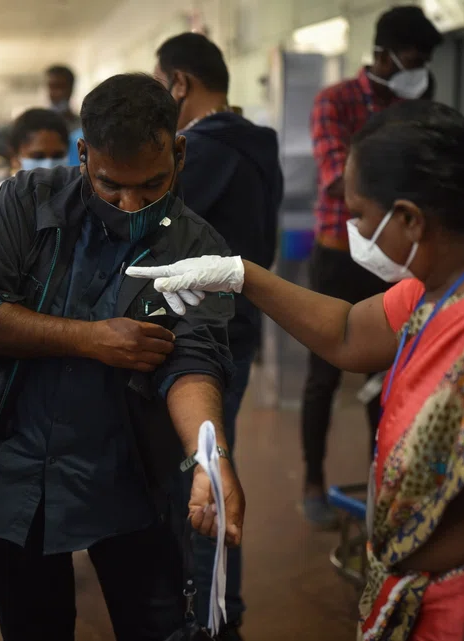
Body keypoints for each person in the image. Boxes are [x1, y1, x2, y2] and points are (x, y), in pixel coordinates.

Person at [129, 99, 464, 641]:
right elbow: (349, 332)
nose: (353, 228)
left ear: (411, 218)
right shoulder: (450, 281)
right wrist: (239, 274)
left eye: (362, 214)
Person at [0, 73, 246, 641]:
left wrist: (209, 452)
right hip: (15, 467)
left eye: (152, 186)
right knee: (33, 625)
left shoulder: (194, 245)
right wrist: (88, 337)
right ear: (82, 156)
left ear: (179, 151)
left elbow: (192, 357)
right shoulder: (26, 203)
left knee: (154, 621)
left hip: (128, 477)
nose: (130, 206)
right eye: (110, 185)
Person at [153, 31, 282, 637]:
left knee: (200, 472)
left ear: (180, 82)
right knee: (212, 463)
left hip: (201, 334)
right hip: (243, 323)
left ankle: (210, 617)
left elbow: (156, 233)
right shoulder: (259, 145)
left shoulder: (199, 153)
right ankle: (219, 612)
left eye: (160, 86)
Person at [305, 5, 442, 528]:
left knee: (391, 371)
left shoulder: (420, 105)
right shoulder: (335, 102)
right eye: (413, 57)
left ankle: (383, 476)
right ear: (382, 54)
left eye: (426, 59)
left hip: (401, 255)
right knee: (325, 369)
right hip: (343, 252)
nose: (419, 68)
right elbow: (339, 179)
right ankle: (313, 480)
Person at [0, 108, 70, 243]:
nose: (49, 164)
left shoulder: (75, 201)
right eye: (38, 156)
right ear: (15, 157)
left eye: (58, 156)